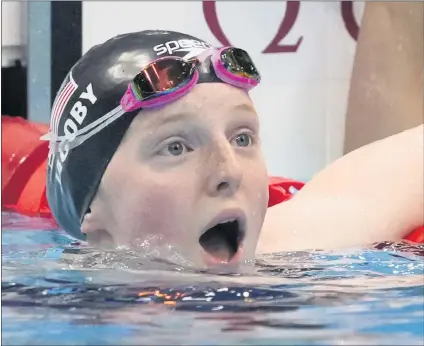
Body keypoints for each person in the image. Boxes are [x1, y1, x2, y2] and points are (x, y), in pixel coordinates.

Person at [2, 30, 423, 269]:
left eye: (242, 138)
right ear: (90, 205)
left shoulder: (292, 250)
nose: (229, 171)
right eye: (176, 147)